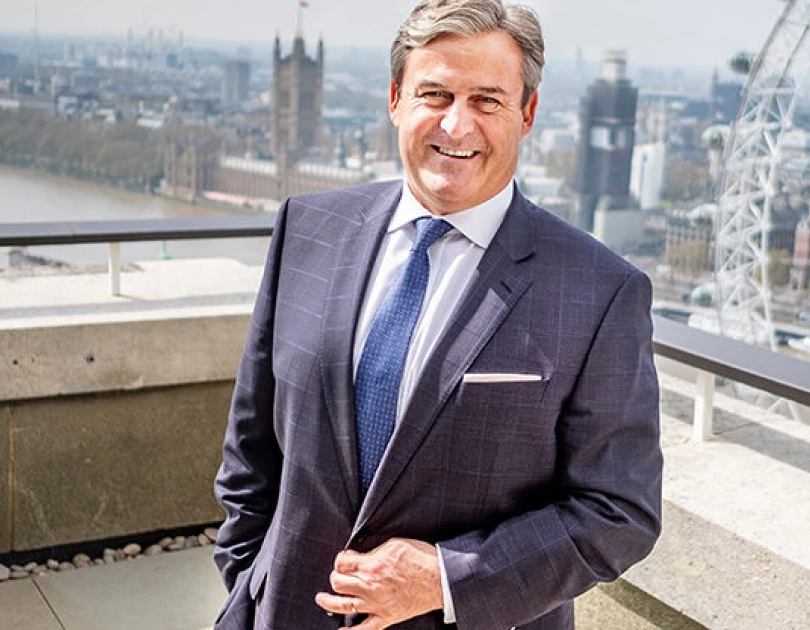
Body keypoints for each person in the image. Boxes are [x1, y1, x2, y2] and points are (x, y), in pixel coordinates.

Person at [213, 1, 663, 628]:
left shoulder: (600, 290)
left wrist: (447, 579)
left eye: (487, 100)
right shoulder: (307, 229)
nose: (456, 124)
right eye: (435, 94)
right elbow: (252, 448)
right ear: (396, 98)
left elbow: (620, 512)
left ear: (527, 113)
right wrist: (251, 585)